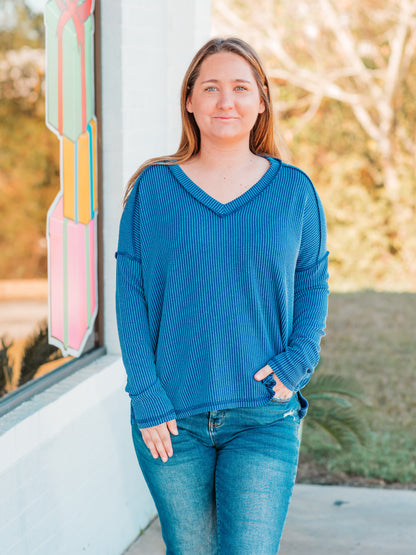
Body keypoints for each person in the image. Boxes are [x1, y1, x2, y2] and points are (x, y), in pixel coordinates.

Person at [115, 37, 329, 555]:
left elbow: (312, 283)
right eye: (210, 87)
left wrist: (298, 360)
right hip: (172, 420)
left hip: (262, 415)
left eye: (240, 88)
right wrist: (146, 395)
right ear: (189, 100)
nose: (225, 101)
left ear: (261, 101)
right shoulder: (153, 187)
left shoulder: (294, 191)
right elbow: (130, 298)